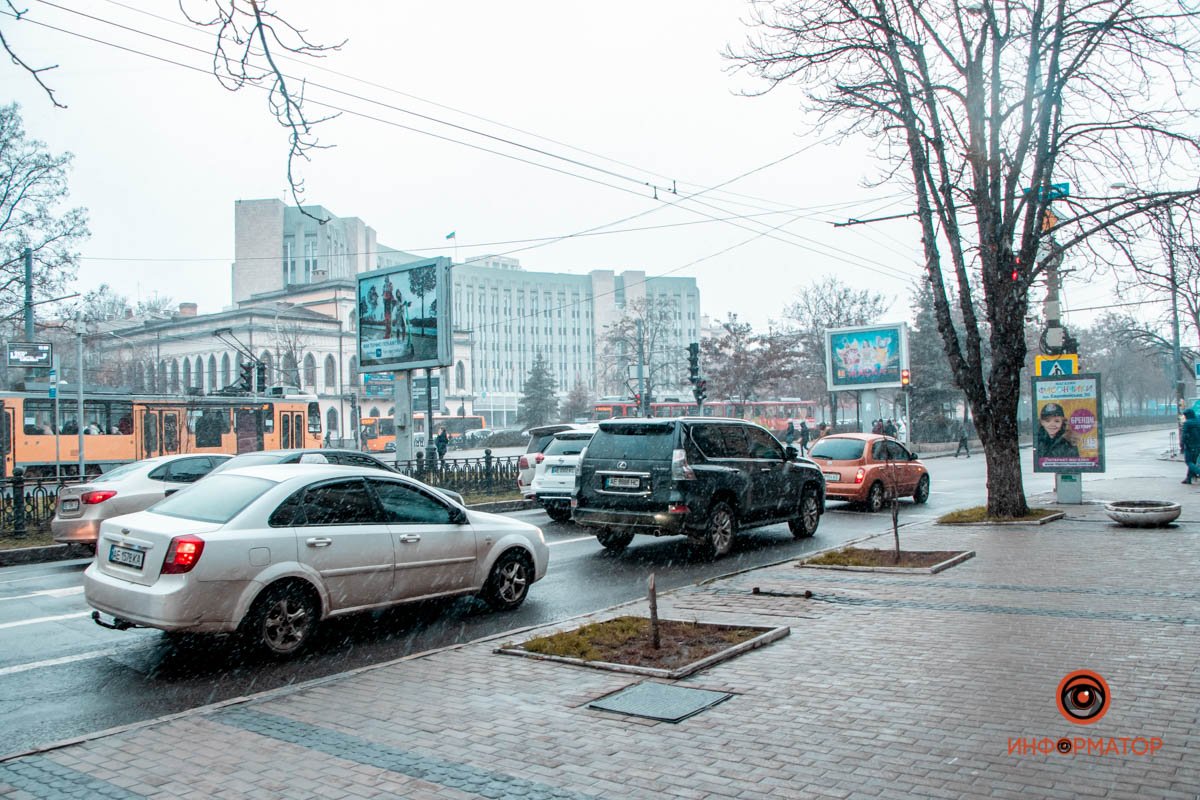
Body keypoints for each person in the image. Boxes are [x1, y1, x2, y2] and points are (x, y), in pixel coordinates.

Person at [1180, 408, 1200, 483]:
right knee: (1193, 462)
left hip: (1190, 445)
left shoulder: (1187, 423)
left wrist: (1181, 445)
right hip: (1198, 445)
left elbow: (1184, 435)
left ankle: (1198, 472)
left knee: (1188, 461)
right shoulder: (1198, 421)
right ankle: (1188, 478)